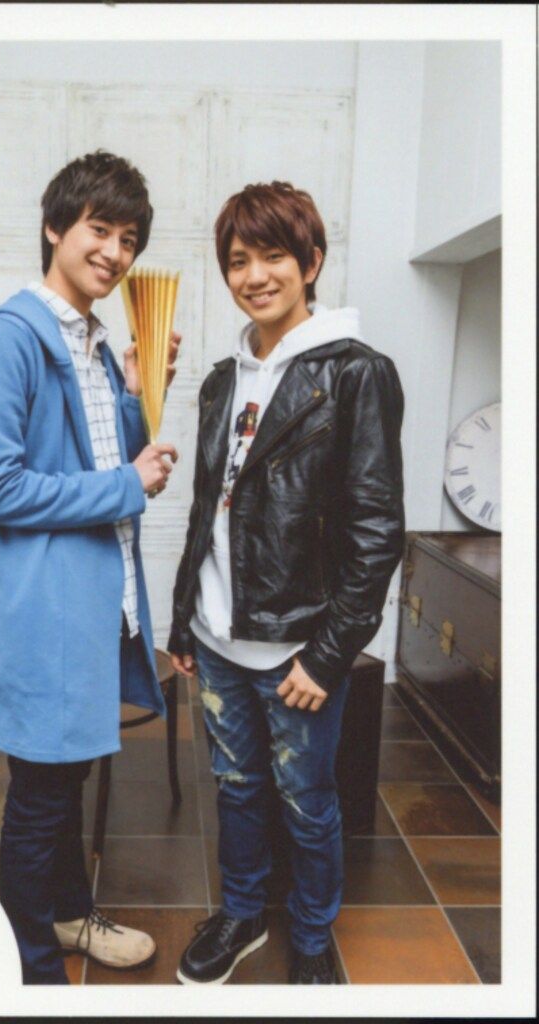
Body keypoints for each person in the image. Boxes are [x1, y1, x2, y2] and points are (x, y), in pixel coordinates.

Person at [168, 181, 404, 985]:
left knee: (306, 800)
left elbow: (376, 532)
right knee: (236, 787)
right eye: (238, 260)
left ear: (311, 262)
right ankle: (241, 916)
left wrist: (328, 655)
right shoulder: (220, 380)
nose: (254, 275)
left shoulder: (356, 374)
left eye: (273, 255)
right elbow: (208, 512)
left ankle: (309, 936)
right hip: (217, 637)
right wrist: (184, 621)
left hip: (297, 650)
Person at [0, 150, 180, 985]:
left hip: (92, 600)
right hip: (42, 611)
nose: (115, 253)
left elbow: (91, 462)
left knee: (65, 776)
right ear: (55, 227)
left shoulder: (90, 341)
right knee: (41, 792)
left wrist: (134, 396)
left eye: (128, 239)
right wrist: (128, 483)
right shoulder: (11, 336)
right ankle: (32, 971)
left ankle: (65, 916)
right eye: (100, 230)